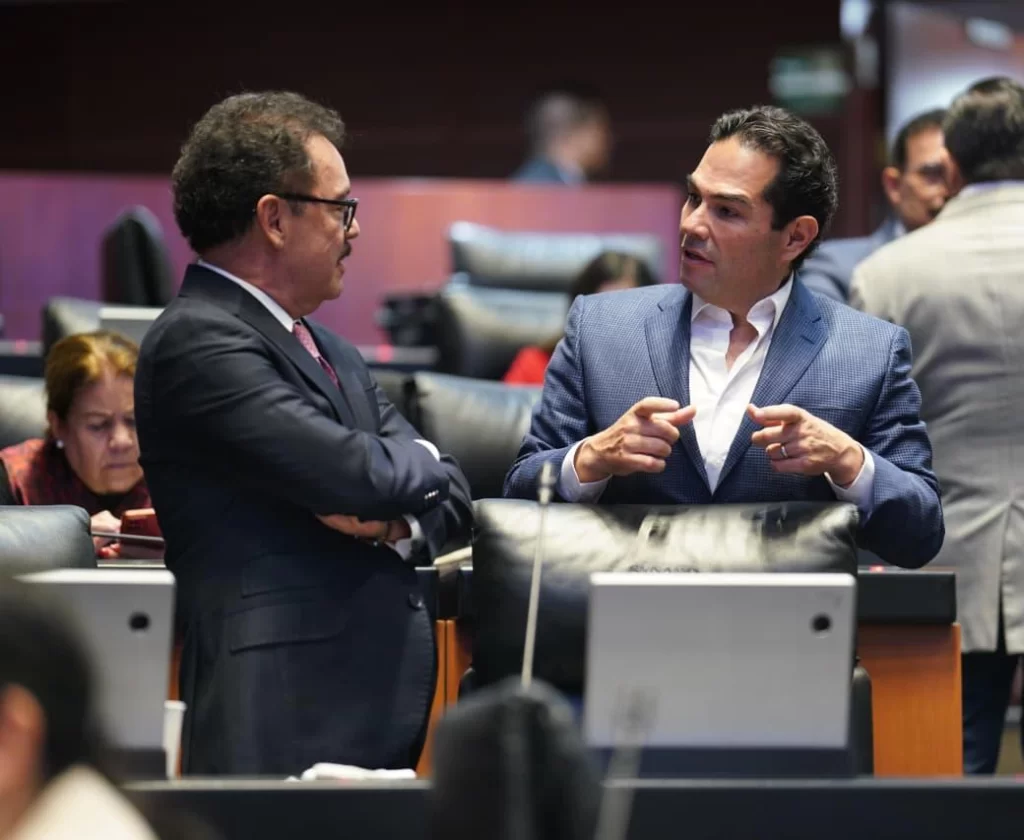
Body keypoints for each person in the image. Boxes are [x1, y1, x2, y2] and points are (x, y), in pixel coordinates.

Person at [134, 91, 473, 777]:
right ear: (274, 218)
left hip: (373, 706)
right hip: (275, 711)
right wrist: (413, 469)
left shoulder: (332, 351)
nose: (355, 229)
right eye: (340, 207)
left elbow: (454, 490)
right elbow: (355, 474)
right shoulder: (196, 340)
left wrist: (393, 516)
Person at [503, 105, 943, 570]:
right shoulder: (600, 328)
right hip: (628, 607)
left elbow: (921, 534)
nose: (692, 224)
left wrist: (848, 461)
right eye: (694, 198)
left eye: (727, 211)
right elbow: (520, 493)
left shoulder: (868, 352)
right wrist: (591, 458)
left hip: (786, 613)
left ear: (795, 237)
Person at [849, 77, 1024, 774]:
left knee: (951, 779)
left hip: (940, 564)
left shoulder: (885, 275)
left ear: (950, 164)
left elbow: (866, 436)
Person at [0, 331, 149, 558]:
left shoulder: (181, 475)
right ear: (58, 426)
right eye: (98, 425)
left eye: (134, 421)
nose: (122, 441)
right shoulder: (14, 478)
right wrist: (59, 544)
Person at [800, 108, 949, 302]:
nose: (952, 189)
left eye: (963, 177)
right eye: (934, 174)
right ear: (894, 185)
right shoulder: (839, 268)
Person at [502, 251, 658, 385]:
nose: (614, 323)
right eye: (603, 310)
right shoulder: (537, 365)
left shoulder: (660, 373)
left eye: (626, 310)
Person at [512, 88, 611, 184]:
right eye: (599, 129)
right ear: (573, 131)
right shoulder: (535, 184)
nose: (606, 139)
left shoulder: (565, 178)